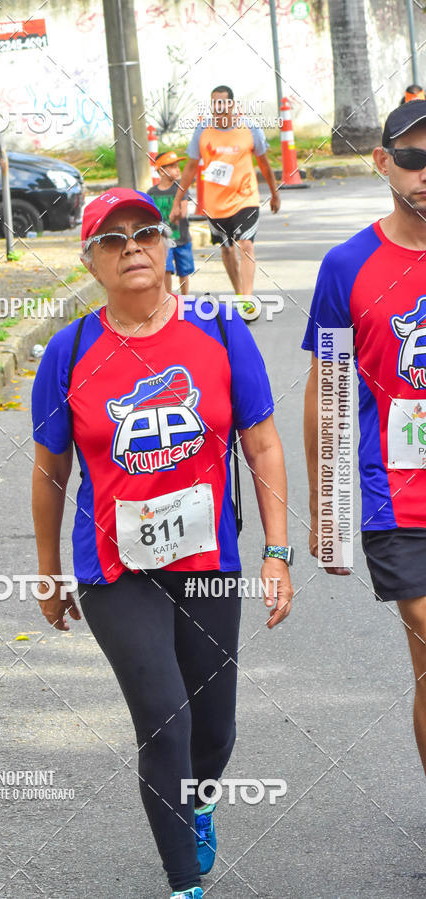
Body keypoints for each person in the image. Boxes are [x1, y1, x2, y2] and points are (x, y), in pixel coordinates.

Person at [31, 187, 294, 898]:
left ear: (166, 244)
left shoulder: (217, 328)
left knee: (213, 729)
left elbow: (262, 443)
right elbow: (51, 471)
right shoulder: (70, 350)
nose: (132, 248)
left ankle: (201, 800)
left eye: (144, 232)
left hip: (209, 560)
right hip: (115, 569)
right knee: (164, 715)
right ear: (92, 262)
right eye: (112, 241)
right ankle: (184, 883)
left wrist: (278, 549)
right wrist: (49, 573)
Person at [303, 101, 426, 775]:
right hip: (399, 499)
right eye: (412, 157)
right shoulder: (347, 266)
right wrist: (326, 511)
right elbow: (327, 389)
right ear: (383, 162)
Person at [169, 84, 280, 304]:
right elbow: (190, 168)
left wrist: (275, 193)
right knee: (227, 249)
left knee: (246, 244)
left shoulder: (250, 128)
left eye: (223, 103)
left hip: (245, 198)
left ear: (232, 104)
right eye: (215, 103)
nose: (219, 108)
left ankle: (247, 299)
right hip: (215, 203)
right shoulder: (202, 130)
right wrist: (177, 202)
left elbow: (264, 164)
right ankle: (239, 293)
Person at [148, 150, 195, 295]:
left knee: (184, 270)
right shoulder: (151, 193)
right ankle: (168, 297)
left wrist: (177, 214)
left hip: (181, 238)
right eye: (173, 166)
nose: (178, 169)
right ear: (162, 171)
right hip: (162, 240)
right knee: (166, 269)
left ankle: (185, 298)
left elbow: (184, 210)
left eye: (178, 166)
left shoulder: (180, 189)